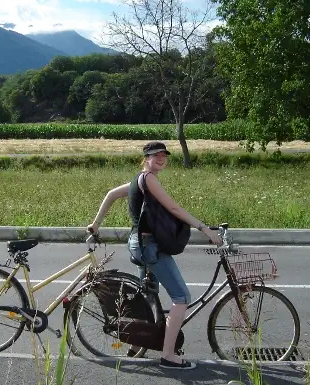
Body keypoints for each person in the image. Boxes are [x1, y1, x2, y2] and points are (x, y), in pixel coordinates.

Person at [87, 141, 222, 370]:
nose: (161, 158)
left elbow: (111, 194)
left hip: (139, 243)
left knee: (147, 298)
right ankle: (169, 355)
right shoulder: (148, 179)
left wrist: (95, 224)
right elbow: (174, 209)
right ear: (146, 158)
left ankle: (136, 344)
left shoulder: (138, 180)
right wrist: (204, 228)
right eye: (155, 155)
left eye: (164, 155)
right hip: (148, 246)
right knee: (181, 298)